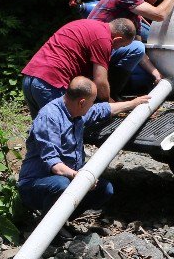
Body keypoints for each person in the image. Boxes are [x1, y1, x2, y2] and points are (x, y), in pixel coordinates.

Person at [18, 76, 148, 220]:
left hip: (68, 178)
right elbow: (54, 164)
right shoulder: (50, 117)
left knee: (105, 190)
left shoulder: (76, 110)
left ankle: (62, 222)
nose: (92, 105)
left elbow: (102, 109)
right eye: (91, 102)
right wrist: (78, 177)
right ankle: (47, 228)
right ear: (82, 102)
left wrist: (133, 103)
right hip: (36, 183)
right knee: (62, 184)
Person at [89, 0, 174, 98]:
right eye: (144, 2)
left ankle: (112, 94)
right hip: (92, 47)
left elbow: (140, 53)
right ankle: (108, 98)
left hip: (104, 49)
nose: (144, 7)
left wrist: (156, 73)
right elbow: (160, 15)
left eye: (150, 4)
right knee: (137, 47)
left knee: (138, 48)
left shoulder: (135, 17)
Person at [20, 18, 135, 119]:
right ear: (117, 39)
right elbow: (100, 82)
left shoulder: (87, 24)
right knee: (62, 130)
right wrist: (110, 105)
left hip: (30, 77)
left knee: (42, 130)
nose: (118, 48)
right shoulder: (103, 40)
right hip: (51, 83)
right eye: (122, 45)